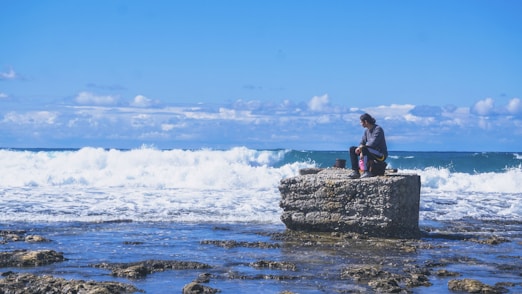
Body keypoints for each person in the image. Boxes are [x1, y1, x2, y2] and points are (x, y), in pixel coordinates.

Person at [349, 113, 388, 178]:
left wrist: (362, 148)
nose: (360, 124)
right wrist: (359, 148)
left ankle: (366, 171)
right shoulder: (366, 131)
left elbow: (372, 143)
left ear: (366, 122)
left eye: (361, 122)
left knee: (364, 149)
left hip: (381, 155)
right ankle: (356, 172)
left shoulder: (378, 129)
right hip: (369, 151)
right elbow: (362, 142)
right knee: (352, 149)